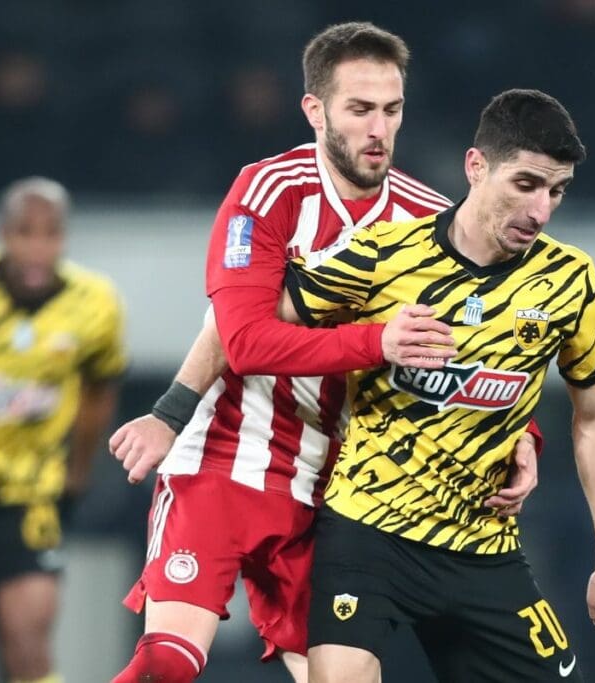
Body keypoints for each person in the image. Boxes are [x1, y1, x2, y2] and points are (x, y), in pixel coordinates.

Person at [108, 22, 541, 683]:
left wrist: (524, 436)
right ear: (315, 110)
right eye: (360, 109)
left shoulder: (434, 221)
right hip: (226, 457)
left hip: (341, 490)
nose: (379, 129)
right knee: (167, 662)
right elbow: (244, 341)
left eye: (392, 110)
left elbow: (489, 343)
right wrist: (378, 340)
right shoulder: (267, 191)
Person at [277, 88, 595, 682]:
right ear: (476, 167)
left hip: (483, 549)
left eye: (557, 191)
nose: (540, 212)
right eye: (526, 184)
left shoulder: (571, 281)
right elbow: (252, 330)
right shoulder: (383, 256)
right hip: (368, 533)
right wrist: (368, 343)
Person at [0, 176, 127, 683]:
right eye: (24, 232)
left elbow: (99, 389)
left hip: (26, 495)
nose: (38, 248)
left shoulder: (94, 305)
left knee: (29, 647)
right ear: (3, 233)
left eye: (50, 234)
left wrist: (77, 473)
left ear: (65, 237)